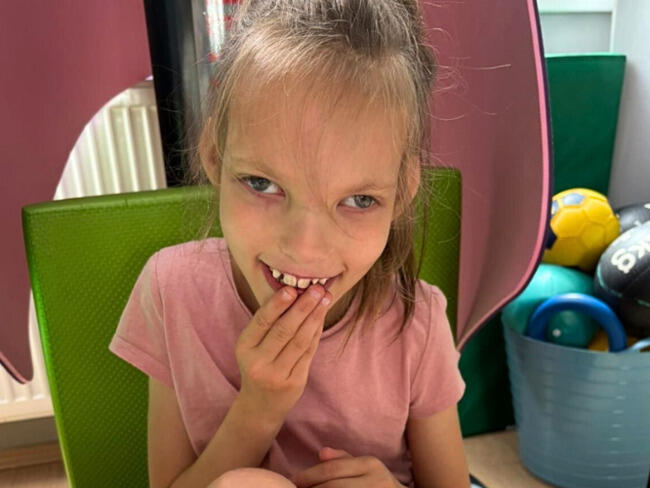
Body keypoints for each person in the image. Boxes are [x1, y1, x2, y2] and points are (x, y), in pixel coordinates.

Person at [109, 0, 469, 486]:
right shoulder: (172, 291)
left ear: (401, 193)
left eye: (359, 200)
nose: (305, 249)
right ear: (214, 156)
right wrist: (259, 408)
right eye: (262, 184)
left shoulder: (416, 324)